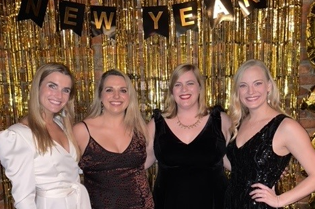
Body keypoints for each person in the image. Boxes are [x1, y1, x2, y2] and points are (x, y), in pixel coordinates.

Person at [0, 62, 91, 209]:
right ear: (38, 87)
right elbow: (23, 199)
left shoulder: (63, 125)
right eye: (52, 86)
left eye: (66, 90)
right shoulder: (19, 136)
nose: (59, 95)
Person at [224, 59, 315, 208]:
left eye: (257, 83)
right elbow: (238, 167)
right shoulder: (238, 124)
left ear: (269, 86)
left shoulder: (285, 126)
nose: (250, 91)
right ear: (237, 91)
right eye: (243, 86)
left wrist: (280, 200)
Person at [145, 63, 232, 209]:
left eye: (190, 83)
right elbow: (137, 164)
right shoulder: (156, 124)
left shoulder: (221, 120)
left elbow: (237, 161)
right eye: (178, 84)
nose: (184, 89)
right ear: (172, 91)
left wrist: (269, 167)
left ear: (200, 87)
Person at [73, 69, 154, 209]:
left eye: (123, 90)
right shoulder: (82, 131)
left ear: (129, 96)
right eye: (109, 90)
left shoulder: (139, 129)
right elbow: (66, 174)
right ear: (100, 95)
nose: (116, 96)